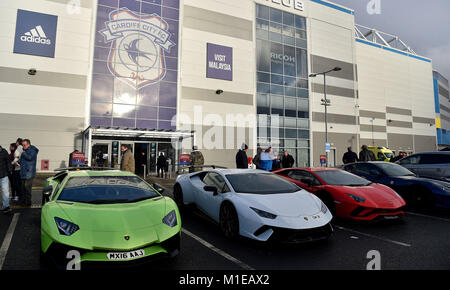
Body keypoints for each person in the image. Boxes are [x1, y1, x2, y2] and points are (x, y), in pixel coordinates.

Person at [18, 139, 39, 207]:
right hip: (23, 172)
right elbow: (21, 160)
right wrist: (18, 162)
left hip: (29, 173)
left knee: (27, 189)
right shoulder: (25, 151)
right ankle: (24, 201)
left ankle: (28, 202)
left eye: (24, 145)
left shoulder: (32, 150)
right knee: (23, 188)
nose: (23, 146)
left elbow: (30, 158)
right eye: (22, 145)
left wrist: (23, 153)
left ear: (28, 144)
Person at [0, 145, 12, 214]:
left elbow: (8, 161)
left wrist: (10, 170)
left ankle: (6, 206)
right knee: (5, 192)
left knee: (5, 192)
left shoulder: (4, 152)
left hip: (3, 175)